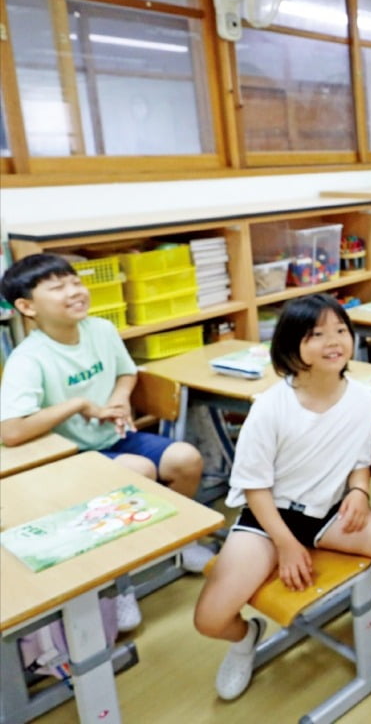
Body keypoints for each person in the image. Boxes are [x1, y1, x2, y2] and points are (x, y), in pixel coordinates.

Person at [193, 295, 371, 701]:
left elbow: (358, 456)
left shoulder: (359, 395)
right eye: (316, 334)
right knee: (209, 620)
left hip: (330, 513)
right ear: (291, 346)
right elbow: (255, 487)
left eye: (340, 330)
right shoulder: (270, 407)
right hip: (270, 518)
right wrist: (284, 543)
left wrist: (357, 489)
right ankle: (246, 637)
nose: (333, 341)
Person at [0, 253, 213, 632]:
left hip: (116, 438)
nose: (74, 291)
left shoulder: (100, 329)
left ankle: (180, 545)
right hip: (71, 459)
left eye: (75, 282)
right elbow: (11, 431)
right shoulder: (28, 359)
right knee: (139, 473)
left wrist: (118, 397)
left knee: (185, 458)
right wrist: (79, 404)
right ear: (26, 307)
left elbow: (127, 372)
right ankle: (119, 583)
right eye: (58, 287)